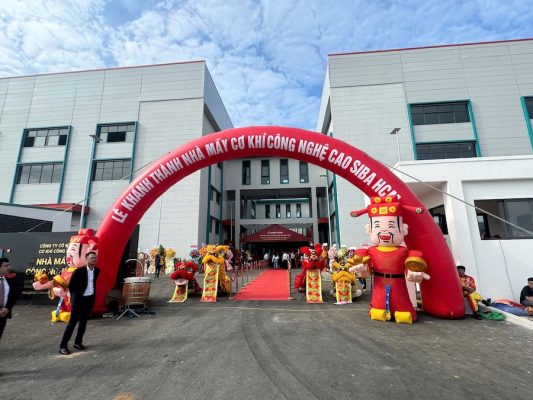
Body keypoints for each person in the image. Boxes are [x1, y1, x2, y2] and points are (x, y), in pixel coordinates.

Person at [59, 251, 100, 355]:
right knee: (72, 323)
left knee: (83, 322)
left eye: (95, 258)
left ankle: (78, 343)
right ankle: (63, 346)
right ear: (86, 259)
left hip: (89, 300)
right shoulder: (79, 271)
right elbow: (71, 286)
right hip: (78, 301)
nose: (94, 260)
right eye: (91, 258)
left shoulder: (97, 271)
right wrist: (74, 298)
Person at [0, 257, 17, 340]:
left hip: (3, 314)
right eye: (5, 266)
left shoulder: (10, 282)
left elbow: (13, 297)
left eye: (9, 265)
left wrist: (7, 308)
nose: (8, 267)